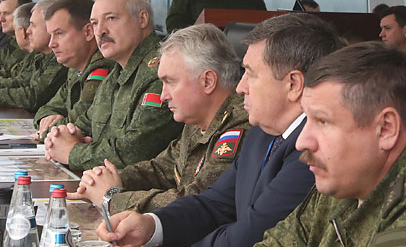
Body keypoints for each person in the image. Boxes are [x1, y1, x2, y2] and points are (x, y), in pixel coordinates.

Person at [96, 13, 344, 246]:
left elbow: (250, 235)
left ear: (293, 84)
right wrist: (152, 226)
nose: (240, 87)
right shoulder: (263, 132)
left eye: (251, 74)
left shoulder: (313, 150)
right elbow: (215, 204)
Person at [68, 24, 250, 214]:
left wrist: (113, 198)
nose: (163, 96)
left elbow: (196, 202)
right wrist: (110, 179)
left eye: (170, 82)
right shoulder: (197, 120)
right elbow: (161, 169)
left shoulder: (240, 125)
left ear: (207, 81)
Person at [255, 41, 406, 246]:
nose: (301, 142)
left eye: (323, 121)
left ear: (386, 129)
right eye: (307, 119)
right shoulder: (339, 185)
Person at [44, 0, 183, 170]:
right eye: (94, 23)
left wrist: (72, 153)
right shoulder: (114, 76)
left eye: (111, 18)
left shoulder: (160, 72)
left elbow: (135, 152)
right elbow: (83, 124)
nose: (100, 31)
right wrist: (58, 136)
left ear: (142, 19)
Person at [0, 0, 68, 114]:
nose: (28, 30)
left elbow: (33, 97)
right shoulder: (38, 55)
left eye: (33, 25)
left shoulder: (60, 60)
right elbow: (18, 82)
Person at [33, 0, 115, 139]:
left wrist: (46, 130)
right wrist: (45, 119)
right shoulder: (75, 69)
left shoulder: (103, 68)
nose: (51, 43)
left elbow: (78, 123)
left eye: (59, 34)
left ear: (88, 32)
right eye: (50, 35)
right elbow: (47, 108)